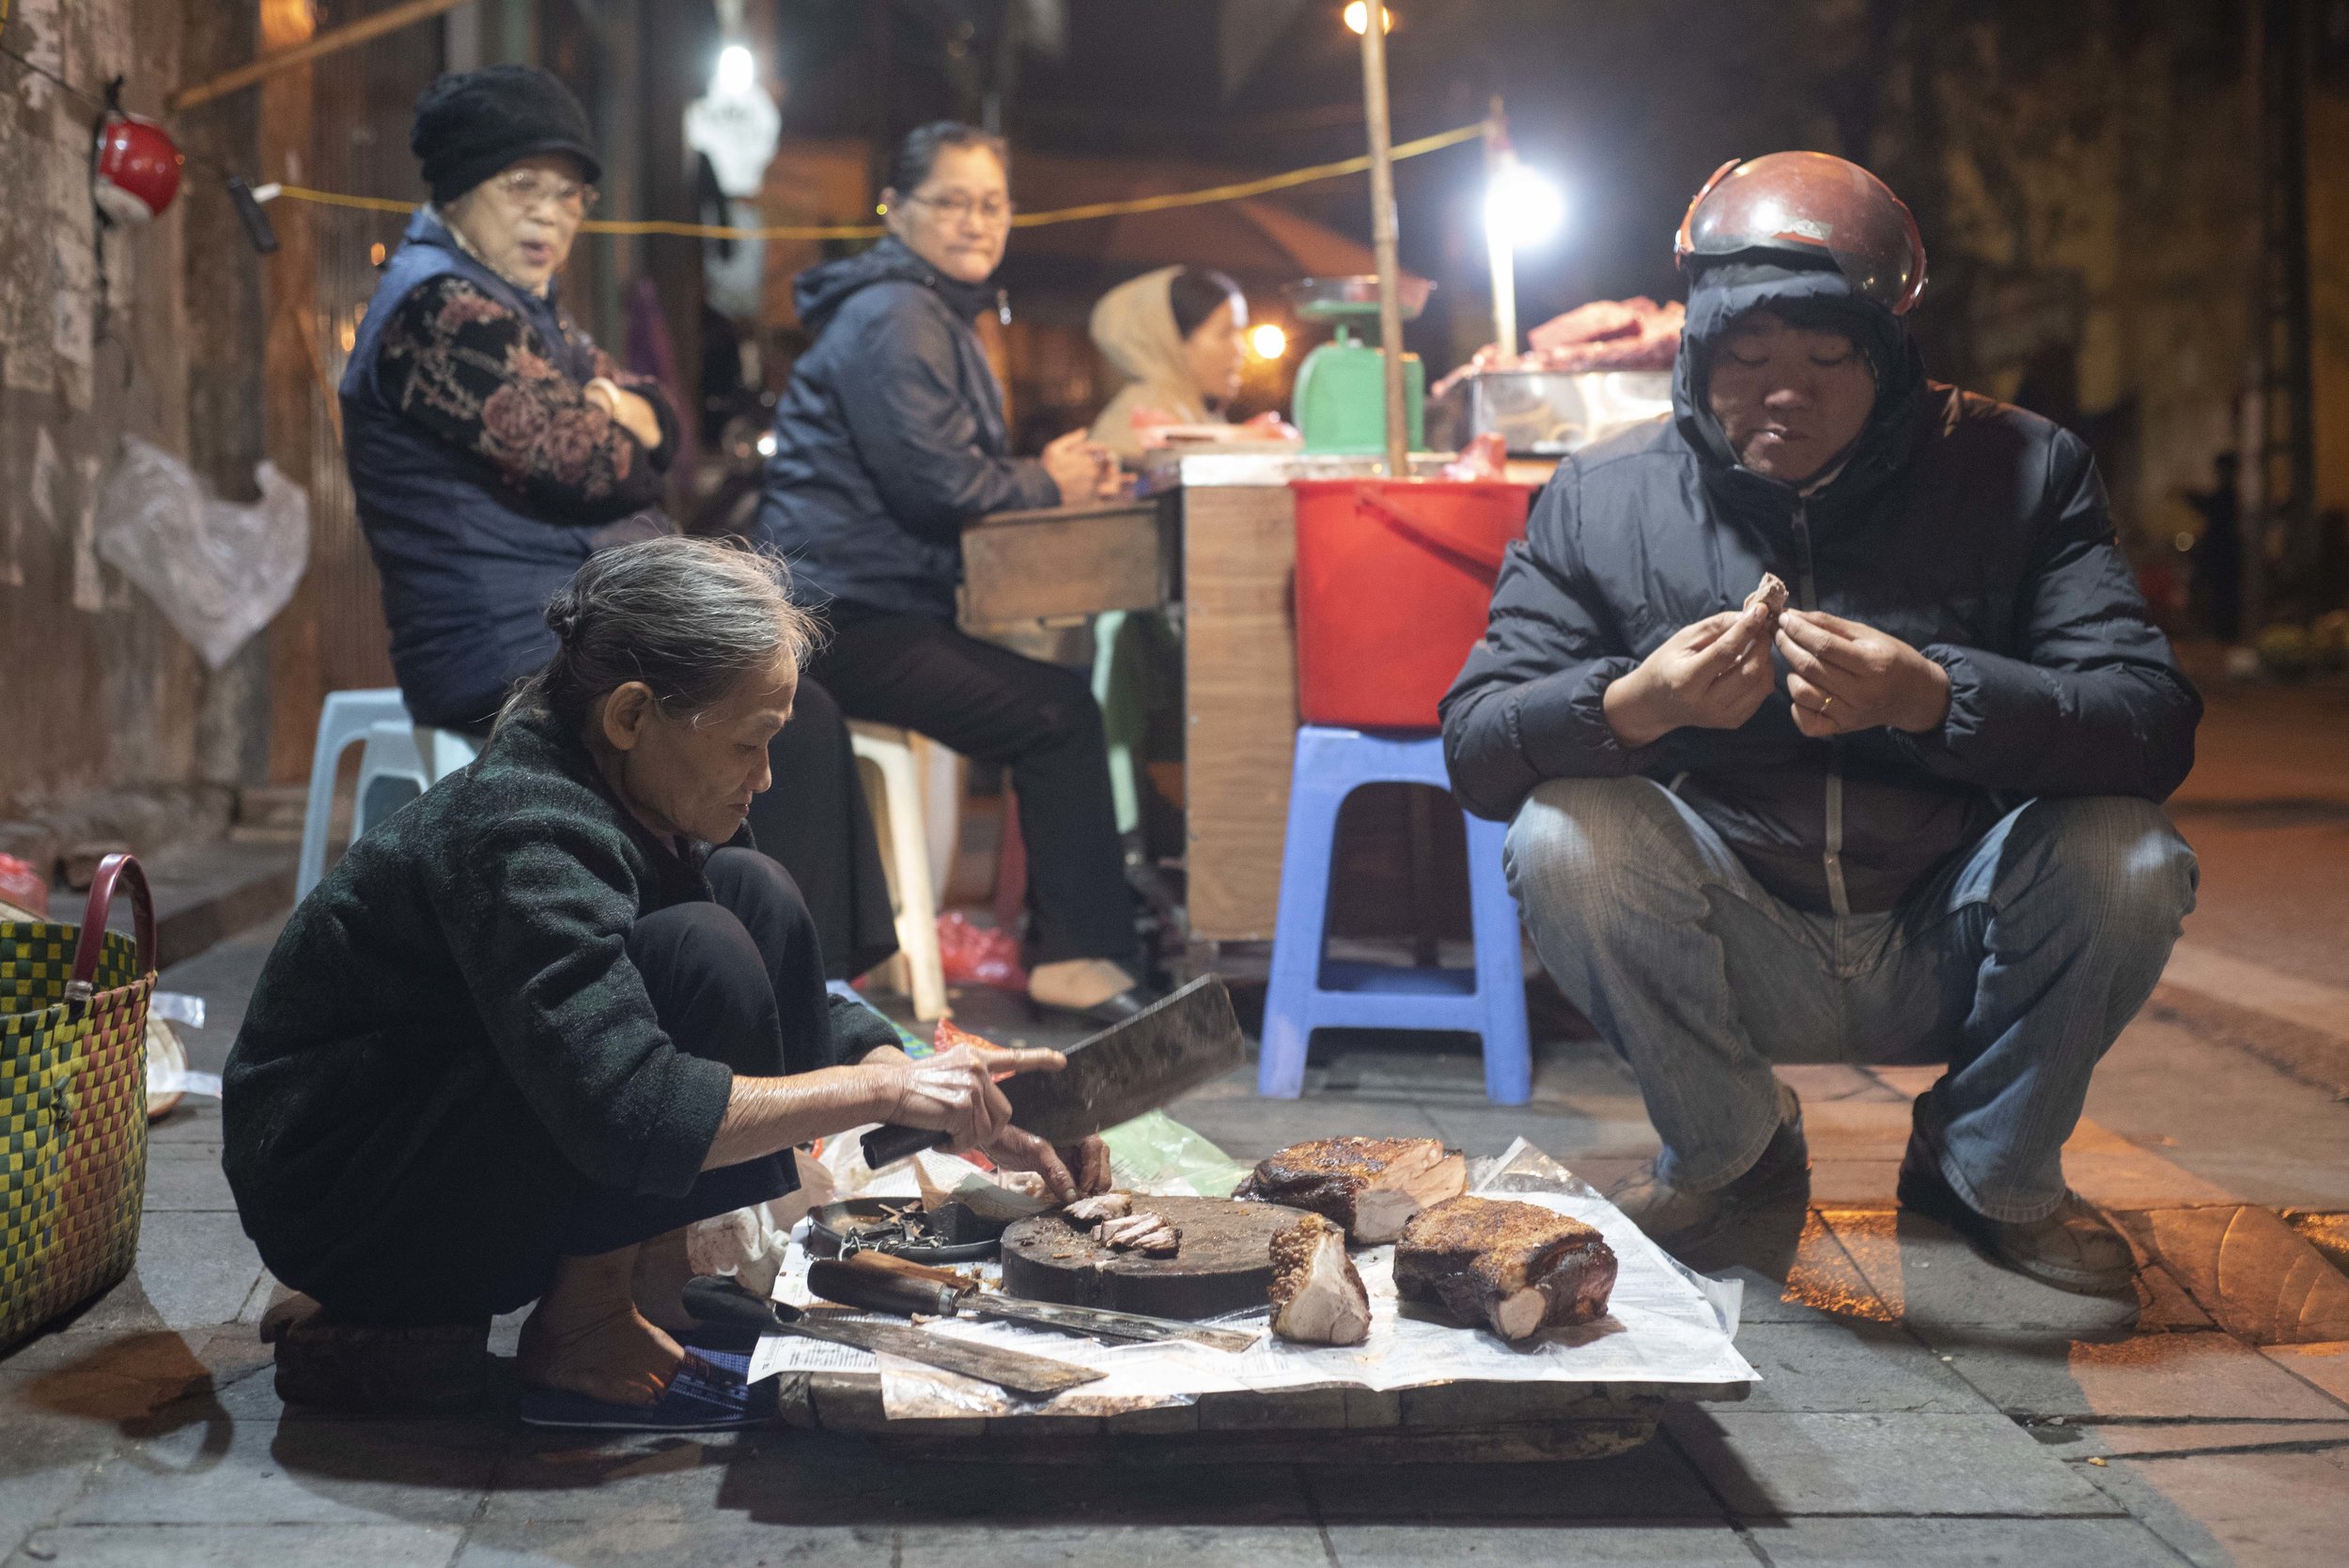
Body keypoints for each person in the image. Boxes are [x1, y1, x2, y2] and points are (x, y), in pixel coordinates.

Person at [1441, 152, 2201, 1296]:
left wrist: (1937, 699)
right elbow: (1475, 740)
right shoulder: (1603, 495)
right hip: (1735, 936)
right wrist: (1631, 707)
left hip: (1953, 931)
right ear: (1695, 356)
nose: (1780, 391)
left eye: (1824, 357)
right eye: (1743, 359)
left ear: (1889, 361)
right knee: (1563, 830)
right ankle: (1732, 1155)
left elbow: (2148, 725)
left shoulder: (2022, 469)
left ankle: (1987, 1171)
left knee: (2128, 854)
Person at [224, 539, 1110, 1412]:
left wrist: (927, 1086)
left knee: (749, 895)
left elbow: (787, 1019)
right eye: (747, 745)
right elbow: (631, 1103)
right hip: (352, 1199)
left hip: (449, 1131)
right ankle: (587, 1319)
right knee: (702, 951)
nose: (763, 778)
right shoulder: (525, 827)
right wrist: (890, 1095)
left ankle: (652, 1280)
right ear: (631, 715)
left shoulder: (632, 788)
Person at [340, 65, 895, 981]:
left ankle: (805, 987)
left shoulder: (524, 310)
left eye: (568, 195)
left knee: (791, 707)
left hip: (579, 621)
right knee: (747, 721)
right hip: (500, 643)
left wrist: (634, 416)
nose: (550, 217)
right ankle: (752, 987)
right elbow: (585, 467)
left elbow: (661, 418)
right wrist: (618, 424)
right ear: (458, 190)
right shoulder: (437, 311)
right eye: (523, 188)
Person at [754, 120, 1156, 1025]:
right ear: (898, 210)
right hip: (833, 615)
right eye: (953, 201)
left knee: (1055, 700)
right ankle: (1078, 957)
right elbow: (935, 482)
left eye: (993, 203)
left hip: (874, 601)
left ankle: (1079, 947)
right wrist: (1048, 478)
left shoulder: (927, 310)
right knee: (1058, 713)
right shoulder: (895, 316)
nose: (977, 222)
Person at [1088, 265, 1250, 459]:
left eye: (1240, 332)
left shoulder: (1193, 413)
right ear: (1171, 341)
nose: (1241, 349)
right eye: (1225, 333)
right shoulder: (1140, 427)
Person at [2182, 452, 2244, 644]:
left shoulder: (2230, 494)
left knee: (2222, 595)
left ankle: (2225, 634)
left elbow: (2211, 505)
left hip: (2224, 553)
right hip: (2221, 553)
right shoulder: (2229, 492)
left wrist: (2187, 494)